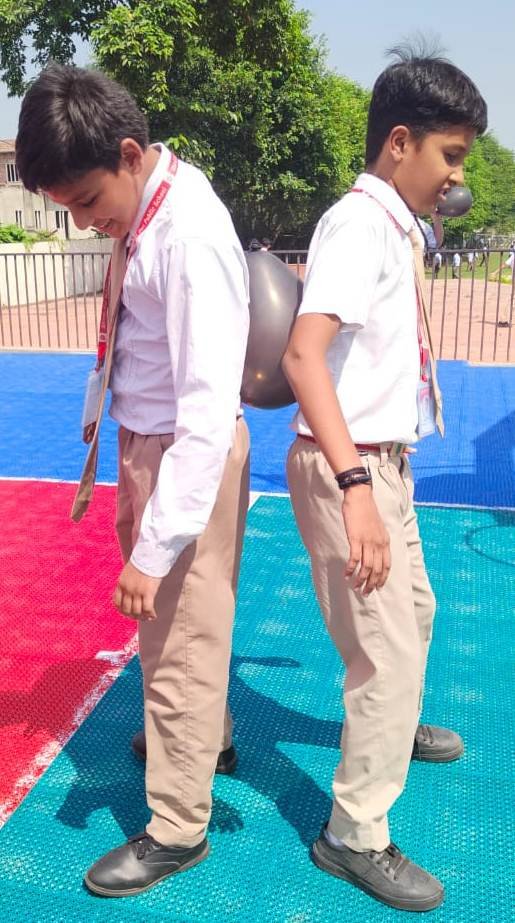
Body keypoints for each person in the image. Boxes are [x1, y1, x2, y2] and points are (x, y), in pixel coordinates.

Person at [16, 64, 250, 898]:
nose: (85, 222)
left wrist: (153, 549)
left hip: (181, 451)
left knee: (178, 633)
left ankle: (177, 828)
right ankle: (205, 738)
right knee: (176, 631)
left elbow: (206, 410)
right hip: (148, 443)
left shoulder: (187, 237)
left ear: (126, 153)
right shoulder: (149, 210)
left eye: (86, 202)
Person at [282, 48, 486, 913]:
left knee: (417, 615)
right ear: (399, 143)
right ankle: (352, 835)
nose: (456, 176)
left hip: (381, 461)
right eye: (450, 155)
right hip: (350, 467)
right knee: (386, 653)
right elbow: (303, 356)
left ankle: (390, 731)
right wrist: (355, 487)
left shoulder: (393, 223)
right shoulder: (358, 225)